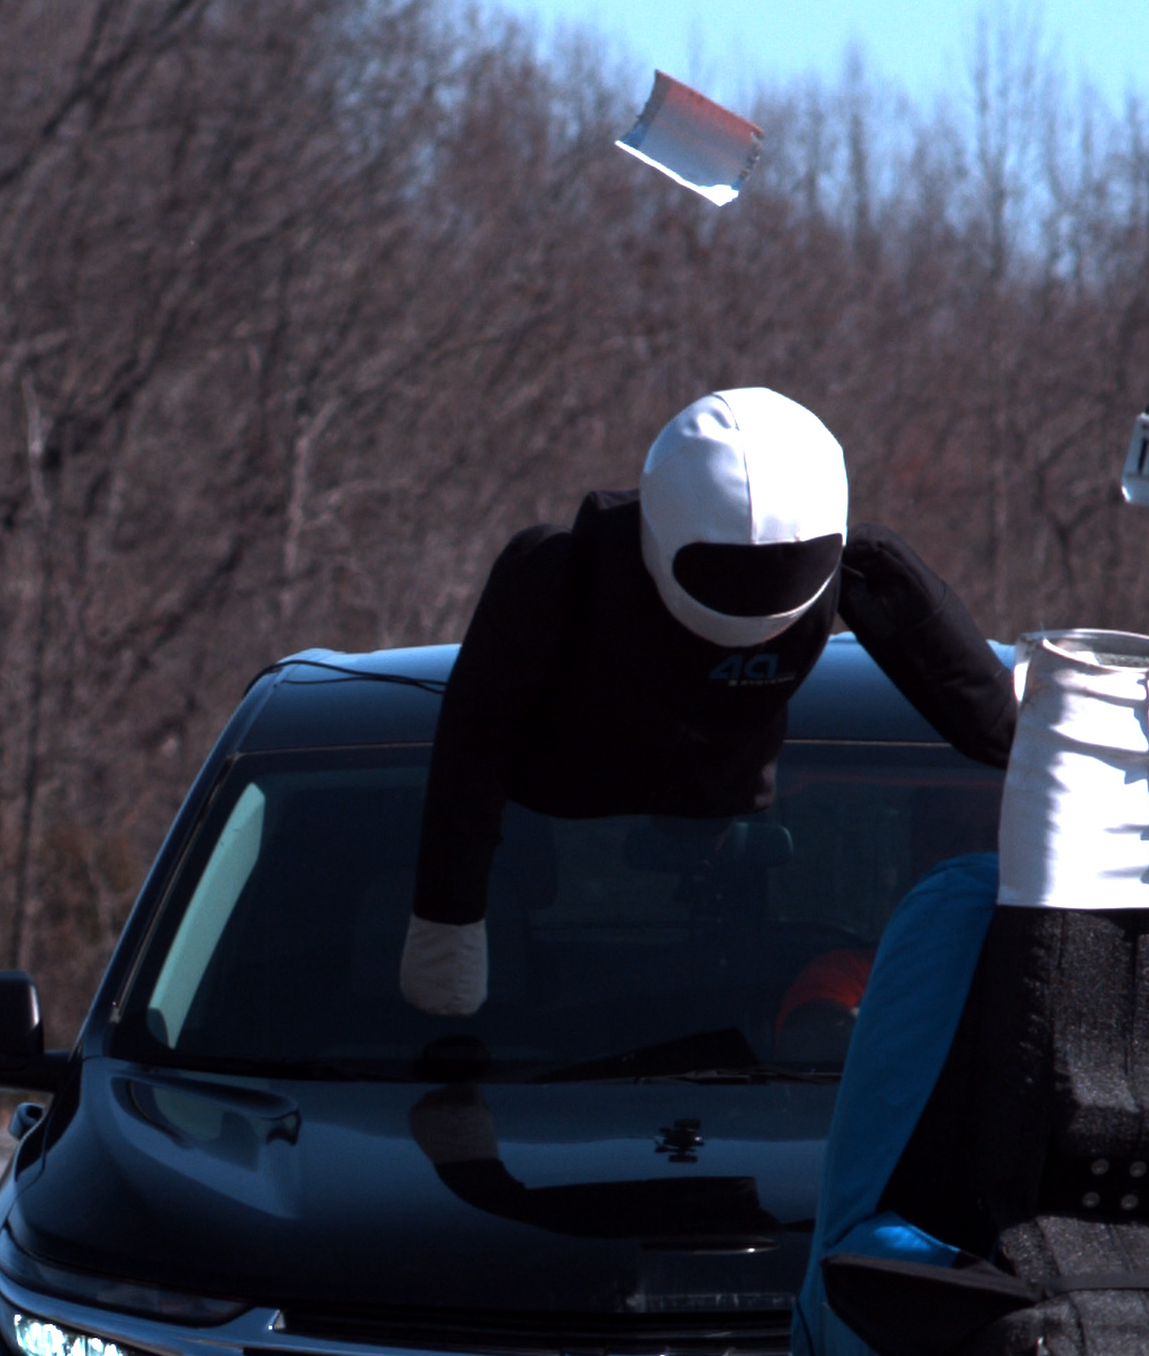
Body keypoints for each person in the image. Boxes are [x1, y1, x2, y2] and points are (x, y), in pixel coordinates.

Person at [400, 387, 1017, 1016]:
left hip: (718, 790)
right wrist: (448, 918)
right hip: (570, 787)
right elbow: (471, 750)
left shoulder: (857, 573)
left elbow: (992, 721)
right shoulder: (559, 582)